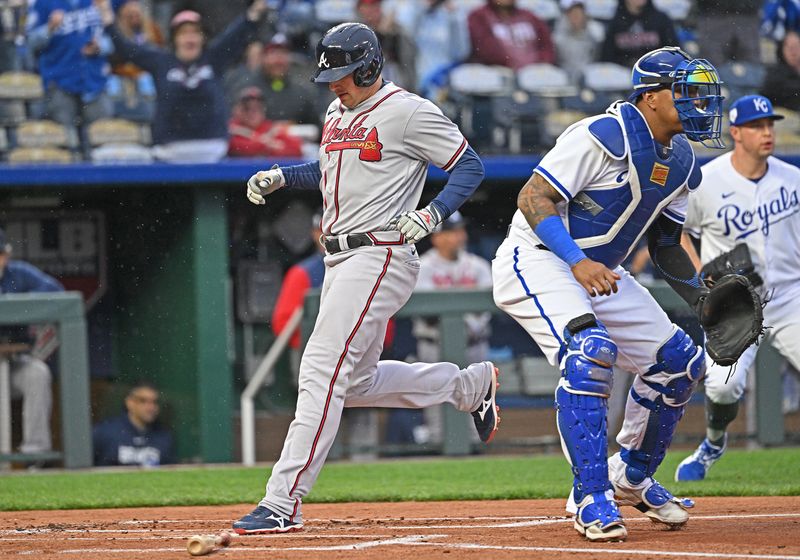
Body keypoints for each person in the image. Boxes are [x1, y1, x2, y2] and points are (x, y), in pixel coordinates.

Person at [233, 22, 496, 535]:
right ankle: (468, 385)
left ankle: (282, 500)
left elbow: (470, 167)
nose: (335, 84)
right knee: (354, 383)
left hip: (380, 254)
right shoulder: (337, 110)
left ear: (372, 66)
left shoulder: (409, 111)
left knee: (320, 370)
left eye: (345, 75)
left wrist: (433, 214)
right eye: (331, 75)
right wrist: (285, 175)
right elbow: (333, 170)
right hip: (339, 259)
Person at [492, 46, 726, 542]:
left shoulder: (682, 160)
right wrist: (577, 261)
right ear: (650, 97)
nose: (696, 103)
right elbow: (533, 196)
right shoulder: (603, 134)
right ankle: (590, 495)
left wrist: (702, 301)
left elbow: (666, 245)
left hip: (600, 271)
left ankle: (632, 475)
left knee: (681, 363)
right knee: (590, 352)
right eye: (684, 92)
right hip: (539, 257)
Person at [675, 94, 800, 481]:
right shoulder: (707, 181)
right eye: (756, 126)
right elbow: (676, 233)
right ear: (735, 133)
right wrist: (702, 282)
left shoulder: (792, 177)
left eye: (769, 125)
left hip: (790, 297)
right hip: (735, 305)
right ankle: (713, 442)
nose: (767, 132)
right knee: (723, 388)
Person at [96, 0, 268, 162]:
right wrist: (107, 17)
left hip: (213, 151)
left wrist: (256, 9)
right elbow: (126, 49)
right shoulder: (161, 61)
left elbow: (239, 32)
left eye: (195, 33)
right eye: (184, 33)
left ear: (203, 38)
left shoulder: (214, 58)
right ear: (175, 38)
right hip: (169, 152)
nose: (190, 38)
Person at [413, 211, 494, 445]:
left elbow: (487, 307)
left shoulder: (478, 265)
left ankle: (476, 454)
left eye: (460, 231)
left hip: (474, 345)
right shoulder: (422, 266)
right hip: (435, 346)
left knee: (477, 404)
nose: (458, 237)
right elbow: (427, 312)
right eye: (451, 232)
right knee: (436, 405)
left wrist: (467, 325)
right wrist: (463, 322)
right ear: (436, 237)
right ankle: (437, 453)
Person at [0, 228, 63, 456]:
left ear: (6, 255)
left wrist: (15, 303)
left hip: (14, 361)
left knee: (37, 374)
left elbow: (56, 292)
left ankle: (34, 454)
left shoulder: (19, 274)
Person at [27, 0, 113, 151]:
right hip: (60, 81)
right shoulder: (43, 3)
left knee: (102, 144)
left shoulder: (97, 2)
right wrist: (49, 28)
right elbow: (30, 43)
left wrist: (100, 46)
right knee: (64, 145)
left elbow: (113, 40)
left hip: (94, 82)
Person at [92, 380, 175, 466]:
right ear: (129, 402)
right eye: (143, 401)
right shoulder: (105, 432)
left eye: (154, 402)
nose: (151, 407)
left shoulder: (163, 436)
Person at [245, 34, 321, 125]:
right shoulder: (247, 90)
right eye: (273, 53)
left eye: (283, 53)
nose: (278, 60)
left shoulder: (301, 94)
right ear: (262, 57)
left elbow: (317, 129)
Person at [467, 0, 555, 69]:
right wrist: (509, 65)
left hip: (533, 74)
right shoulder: (478, 17)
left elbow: (546, 45)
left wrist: (542, 63)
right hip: (499, 72)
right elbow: (485, 50)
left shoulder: (529, 16)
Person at [228, 86, 304, 158]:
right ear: (238, 110)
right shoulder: (231, 128)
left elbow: (297, 149)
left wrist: (268, 147)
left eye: (258, 108)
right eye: (247, 108)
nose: (253, 113)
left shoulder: (270, 127)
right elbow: (235, 147)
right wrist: (266, 144)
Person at [600, 0, 679, 69]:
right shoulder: (615, 22)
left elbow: (672, 49)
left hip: (656, 70)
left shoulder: (661, 19)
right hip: (622, 73)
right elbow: (607, 55)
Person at [552, 0, 605, 85]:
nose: (576, 17)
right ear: (567, 16)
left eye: (579, 14)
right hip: (564, 80)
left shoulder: (593, 37)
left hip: (589, 80)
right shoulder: (557, 39)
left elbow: (597, 59)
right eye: (573, 14)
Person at [761, 31, 800, 112]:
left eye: (796, 47)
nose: (793, 52)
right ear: (782, 49)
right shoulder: (775, 75)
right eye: (789, 48)